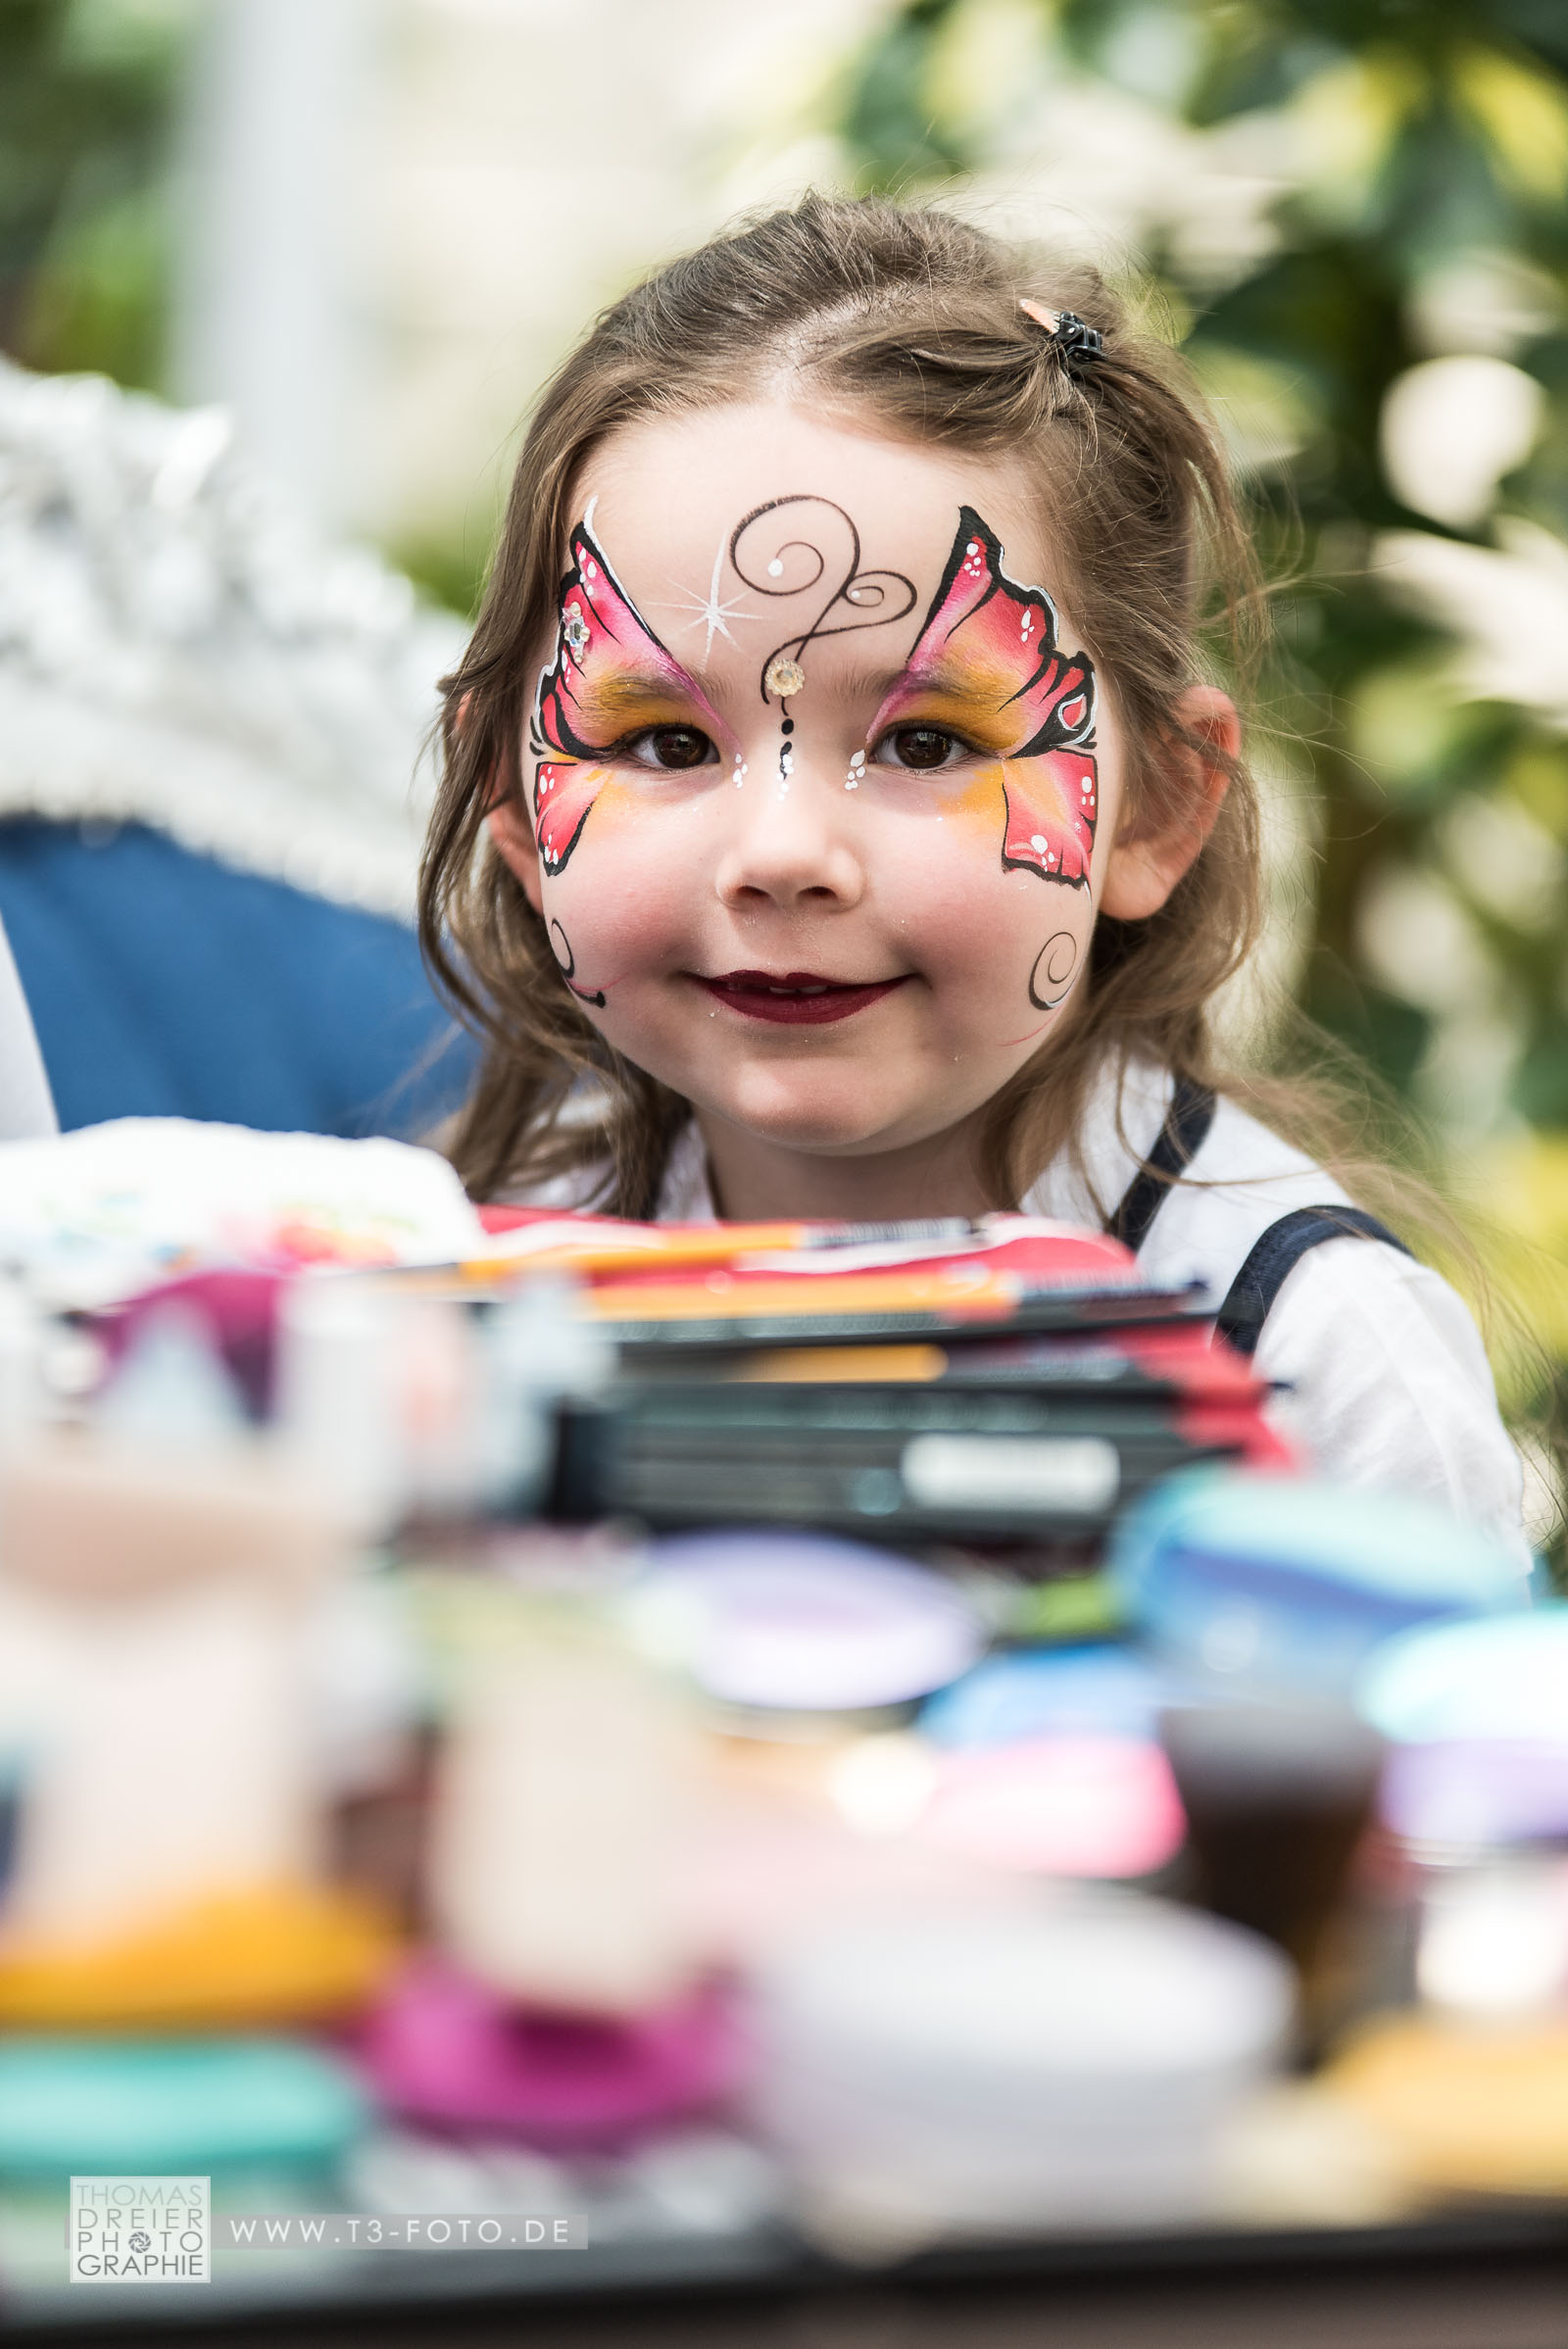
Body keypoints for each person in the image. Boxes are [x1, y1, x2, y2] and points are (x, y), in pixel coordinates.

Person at [418, 195, 1525, 1556]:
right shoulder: (469, 1285)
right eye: (665, 742)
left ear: (1153, 808)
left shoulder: (1317, 1365)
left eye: (928, 741)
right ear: (512, 800)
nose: (784, 856)